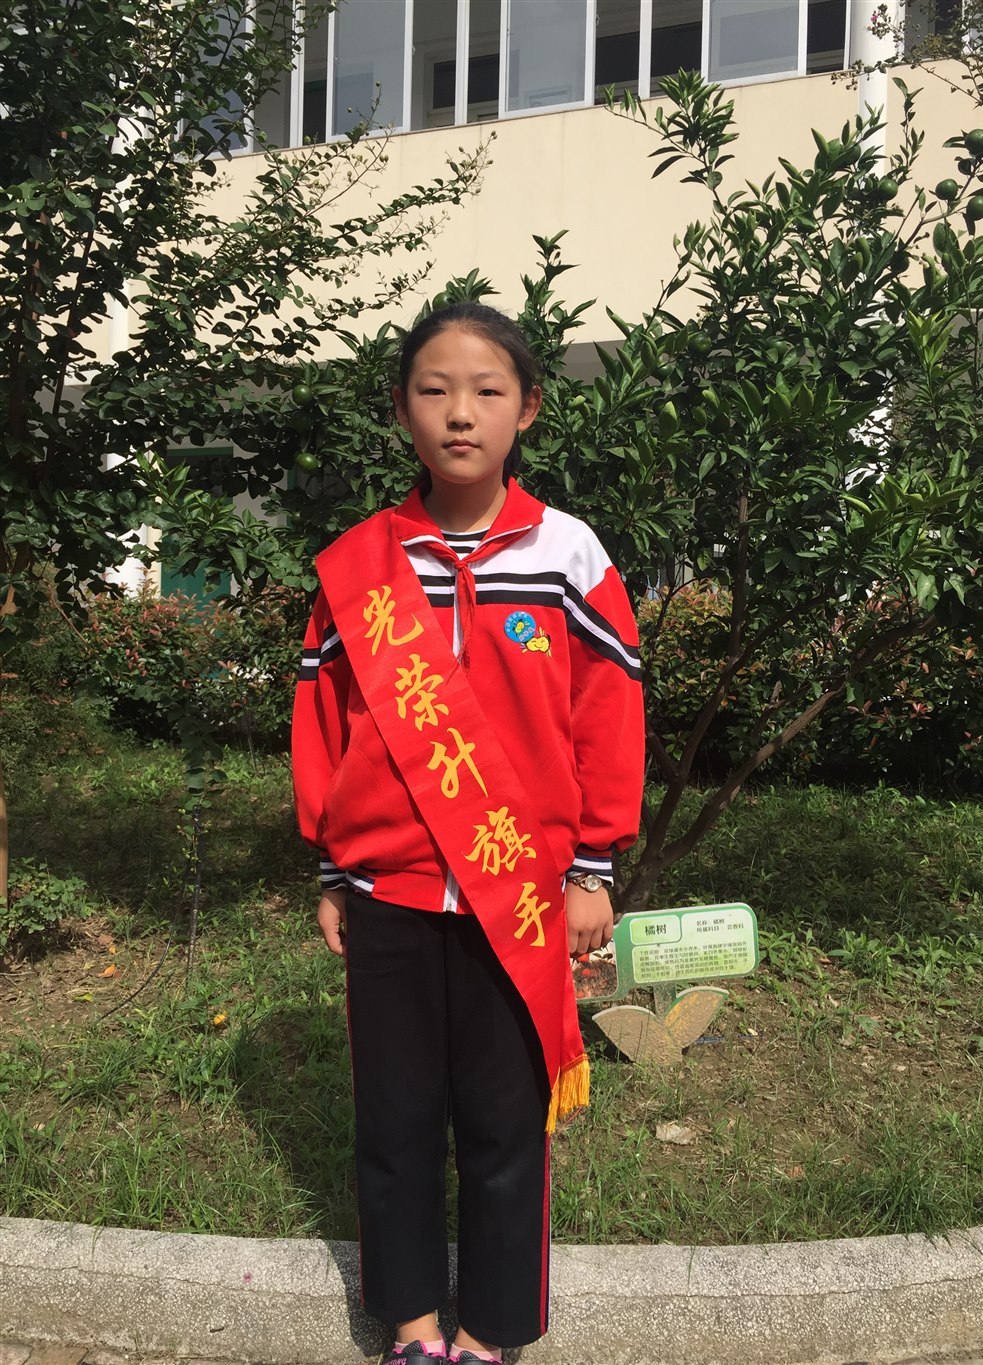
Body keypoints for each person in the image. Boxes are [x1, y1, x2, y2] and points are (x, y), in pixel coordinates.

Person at [291, 302, 644, 1365]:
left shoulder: (567, 554)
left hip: (520, 899)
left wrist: (592, 869)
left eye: (486, 391)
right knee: (394, 1123)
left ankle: (489, 1333)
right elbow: (324, 722)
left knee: (503, 1127)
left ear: (525, 409)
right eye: (433, 389)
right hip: (390, 896)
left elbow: (607, 716)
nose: (459, 413)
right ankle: (409, 1324)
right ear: (402, 410)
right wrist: (332, 869)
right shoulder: (359, 566)